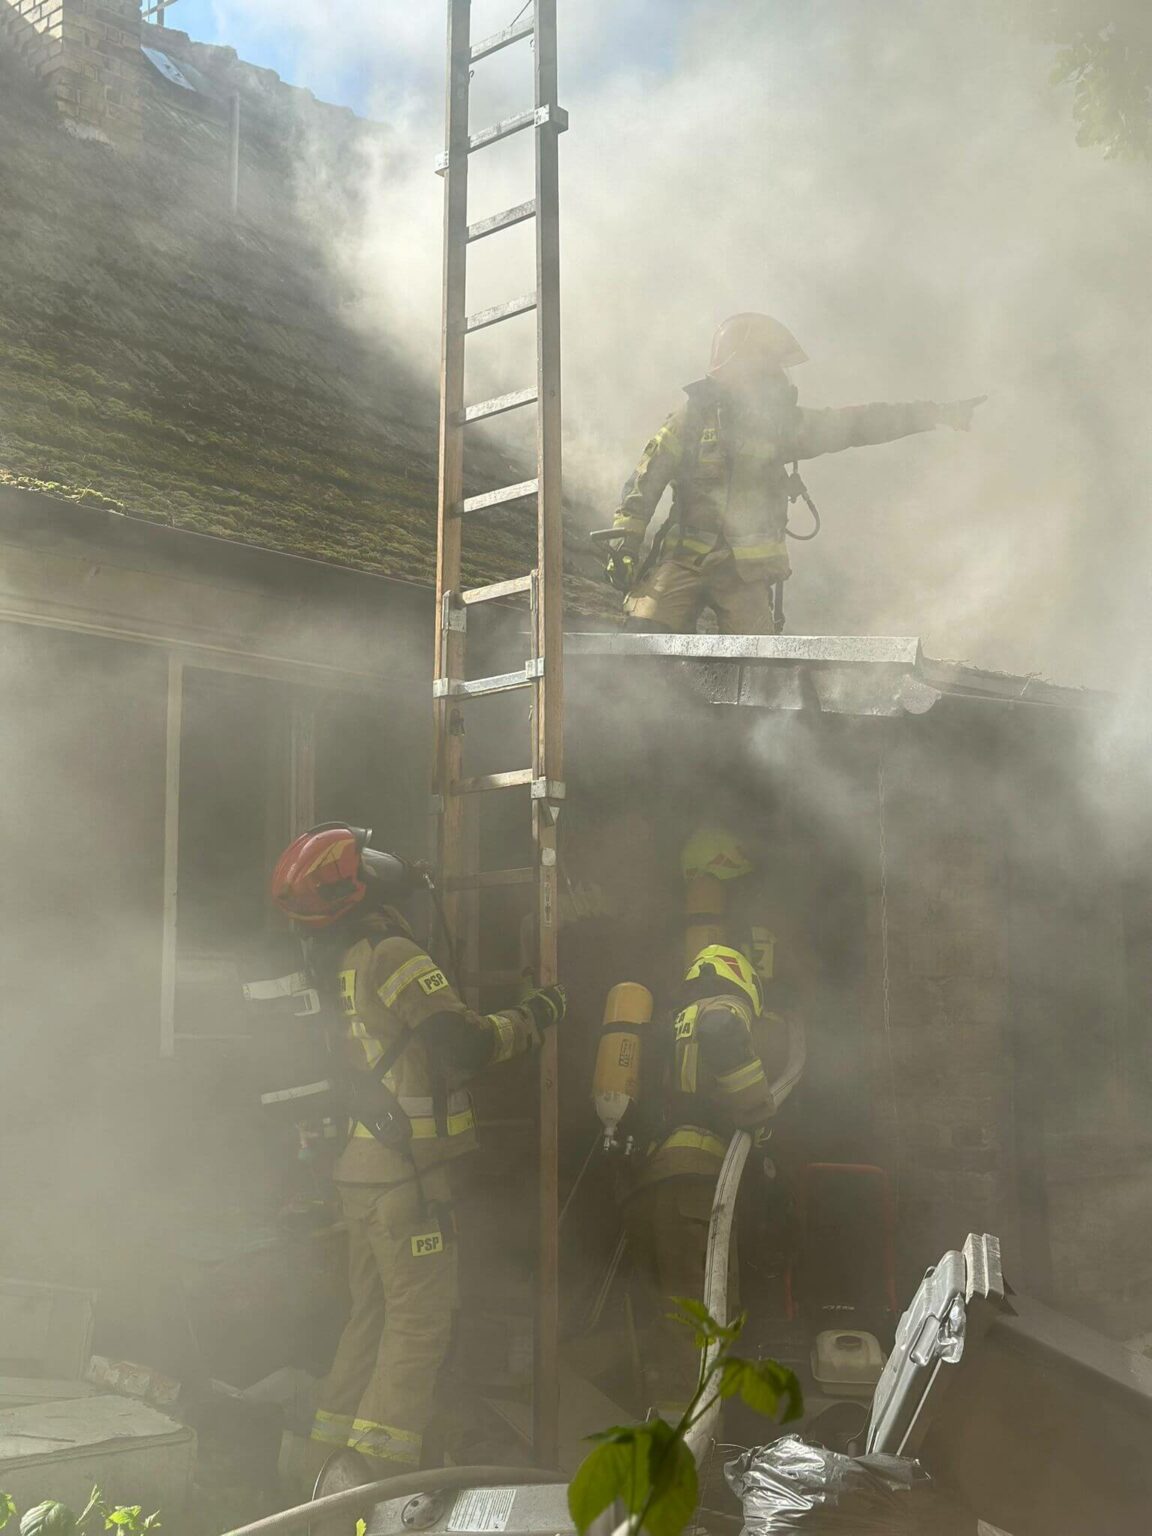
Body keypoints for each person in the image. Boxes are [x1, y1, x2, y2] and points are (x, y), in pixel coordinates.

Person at [269, 823, 565, 1473]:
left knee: (368, 1321)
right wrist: (537, 1016)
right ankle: (374, 1484)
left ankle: (319, 1473)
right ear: (354, 883)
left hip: (360, 1170)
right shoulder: (391, 954)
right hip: (406, 1176)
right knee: (419, 1325)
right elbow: (465, 1045)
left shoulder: (333, 961)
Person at [602, 312, 985, 634]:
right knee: (645, 638)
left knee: (758, 667)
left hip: (745, 574)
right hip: (683, 561)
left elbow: (860, 424)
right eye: (769, 367)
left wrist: (934, 412)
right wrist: (624, 548)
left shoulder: (783, 427)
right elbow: (644, 483)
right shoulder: (689, 419)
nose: (777, 378)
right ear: (744, 367)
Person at [623, 943, 796, 1418]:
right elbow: (726, 1035)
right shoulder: (722, 1009)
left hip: (659, 1181)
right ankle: (688, 1463)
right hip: (696, 1187)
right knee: (701, 1326)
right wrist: (760, 1117)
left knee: (676, 1323)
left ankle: (672, 1438)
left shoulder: (676, 1019)